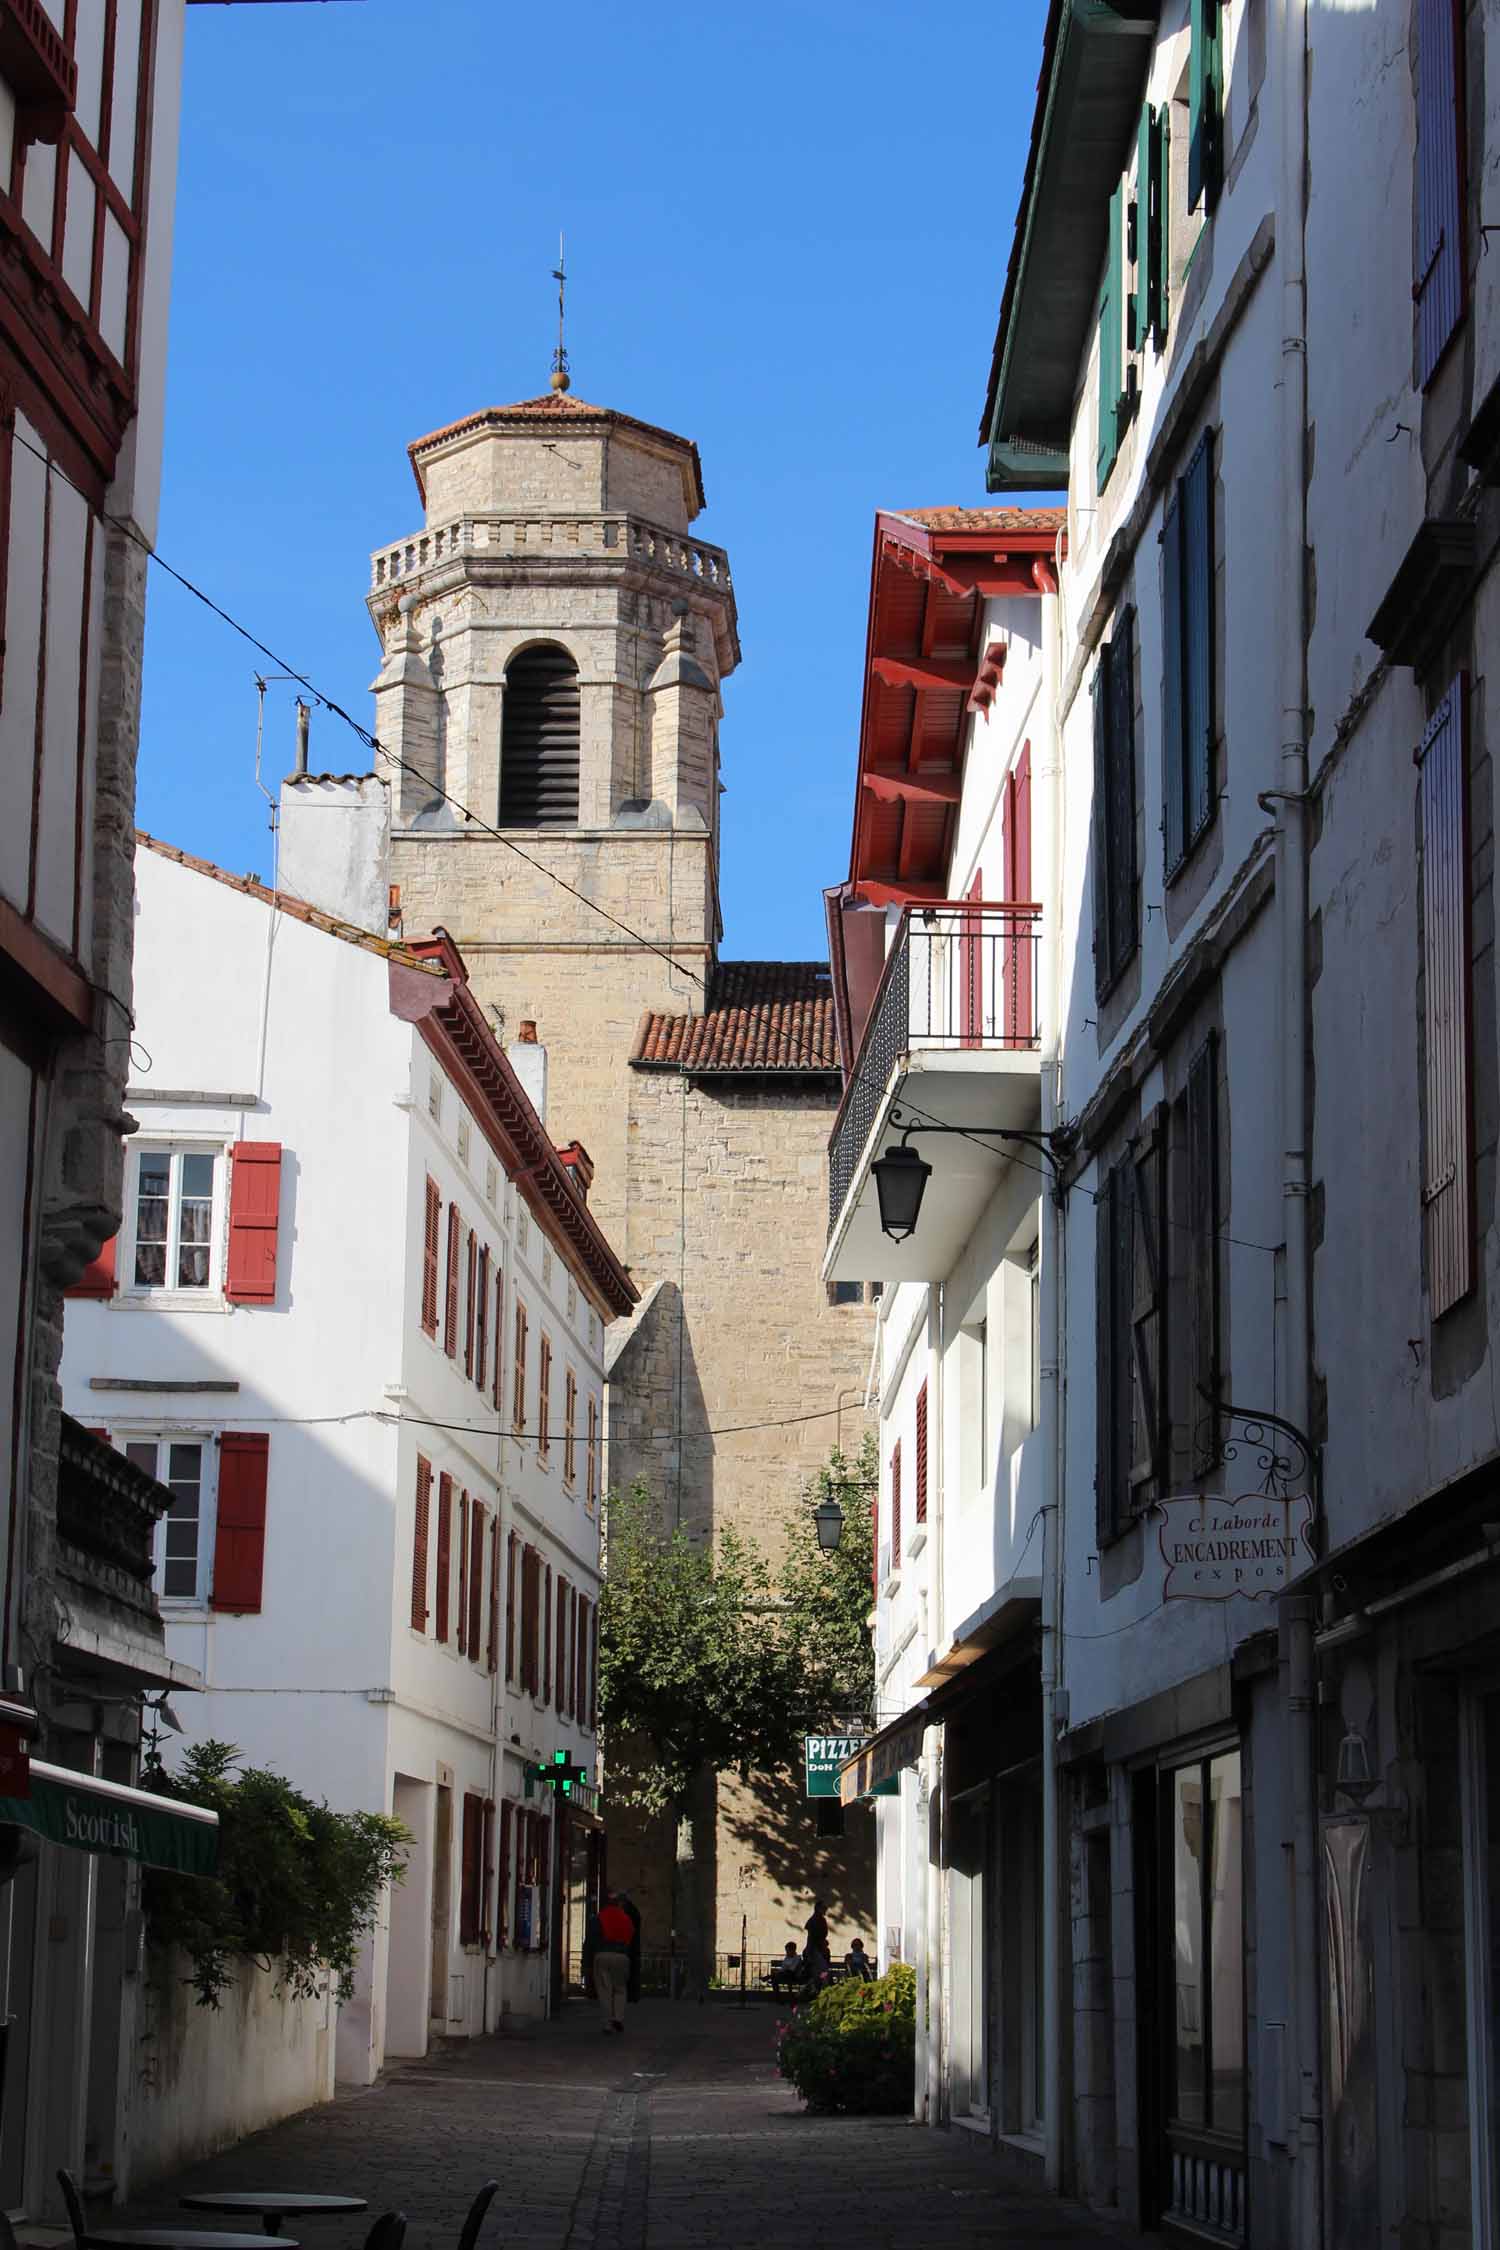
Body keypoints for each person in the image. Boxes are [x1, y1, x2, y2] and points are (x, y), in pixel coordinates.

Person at [582, 1889, 637, 2034]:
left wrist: (586, 1964)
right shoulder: (627, 1919)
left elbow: (589, 1942)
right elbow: (631, 1939)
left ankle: (607, 2023)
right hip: (621, 1957)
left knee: (605, 1991)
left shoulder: (599, 1918)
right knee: (620, 1989)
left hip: (602, 1955)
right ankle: (618, 2018)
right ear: (619, 1904)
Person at [802, 1897, 831, 1979]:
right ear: (818, 1908)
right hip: (814, 1949)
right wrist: (810, 1950)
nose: (825, 1909)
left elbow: (822, 1935)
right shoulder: (814, 1920)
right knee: (823, 1970)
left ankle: (820, 1985)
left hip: (819, 1949)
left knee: (822, 1971)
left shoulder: (821, 1920)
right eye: (823, 1908)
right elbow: (812, 1937)